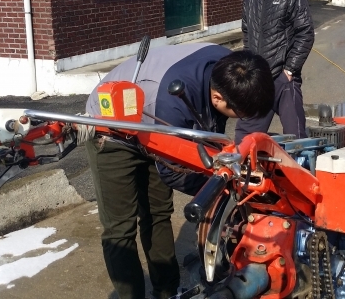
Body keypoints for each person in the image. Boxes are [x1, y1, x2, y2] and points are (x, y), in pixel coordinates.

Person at [83, 44, 275, 299]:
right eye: (239, 114)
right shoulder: (174, 104)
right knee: (120, 227)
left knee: (158, 213)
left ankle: (167, 292)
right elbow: (173, 172)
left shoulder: (232, 67)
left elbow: (208, 134)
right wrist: (220, 191)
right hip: (111, 128)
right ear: (217, 98)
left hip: (150, 122)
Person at [239, 0, 314, 143]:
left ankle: (303, 172)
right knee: (244, 141)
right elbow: (247, 32)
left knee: (297, 140)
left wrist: (289, 70)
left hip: (284, 79)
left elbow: (305, 33)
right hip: (257, 80)